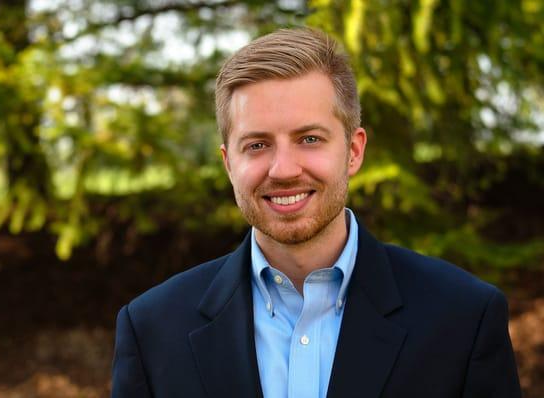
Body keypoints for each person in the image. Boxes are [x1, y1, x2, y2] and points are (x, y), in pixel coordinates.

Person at [111, 28, 521, 398]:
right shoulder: (152, 330)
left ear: (354, 150)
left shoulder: (463, 319)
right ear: (228, 164)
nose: (284, 169)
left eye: (309, 138)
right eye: (257, 145)